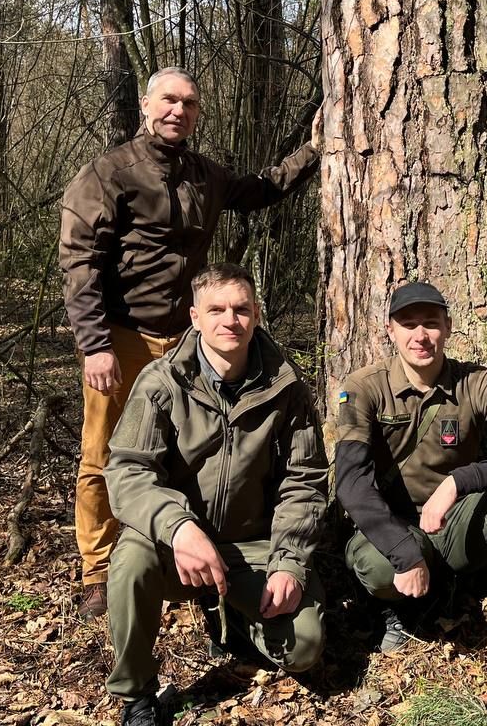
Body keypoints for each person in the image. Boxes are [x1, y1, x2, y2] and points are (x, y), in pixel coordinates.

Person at [60, 67, 320, 618]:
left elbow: (259, 190)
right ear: (146, 105)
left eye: (190, 103)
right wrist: (95, 342)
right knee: (104, 451)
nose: (178, 111)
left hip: (188, 338)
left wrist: (314, 150)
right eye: (169, 101)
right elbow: (80, 263)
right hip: (122, 336)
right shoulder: (109, 173)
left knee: (187, 449)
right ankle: (98, 567)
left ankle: (185, 550)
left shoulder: (204, 174)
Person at [103, 263, 328, 726]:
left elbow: (304, 482)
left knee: (304, 647)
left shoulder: (287, 389)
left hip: (252, 544)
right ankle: (137, 695)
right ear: (195, 317)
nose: (231, 320)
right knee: (129, 562)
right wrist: (178, 526)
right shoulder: (161, 382)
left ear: (256, 315)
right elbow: (128, 469)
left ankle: (235, 620)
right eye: (217, 309)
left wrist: (289, 562)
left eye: (242, 309)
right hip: (173, 542)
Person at [334, 282, 487, 696]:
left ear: (447, 327)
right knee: (377, 566)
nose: (420, 335)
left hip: (456, 522)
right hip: (395, 528)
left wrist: (458, 481)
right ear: (389, 331)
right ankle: (396, 611)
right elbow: (351, 481)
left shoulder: (479, 382)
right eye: (407, 324)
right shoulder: (363, 387)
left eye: (431, 323)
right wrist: (405, 551)